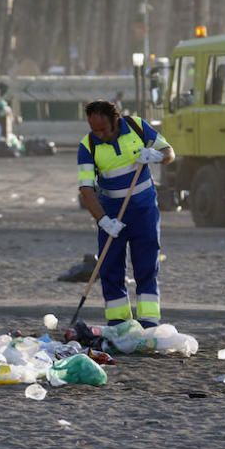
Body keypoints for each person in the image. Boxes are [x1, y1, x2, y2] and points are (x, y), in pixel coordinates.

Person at [77, 99, 175, 328]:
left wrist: (157, 156)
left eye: (103, 129)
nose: (99, 134)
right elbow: (86, 189)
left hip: (144, 210)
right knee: (110, 266)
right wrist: (103, 220)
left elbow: (169, 152)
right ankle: (119, 322)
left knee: (146, 264)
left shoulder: (137, 127)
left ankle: (149, 321)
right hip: (112, 212)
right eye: (94, 129)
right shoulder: (87, 146)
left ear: (115, 120)